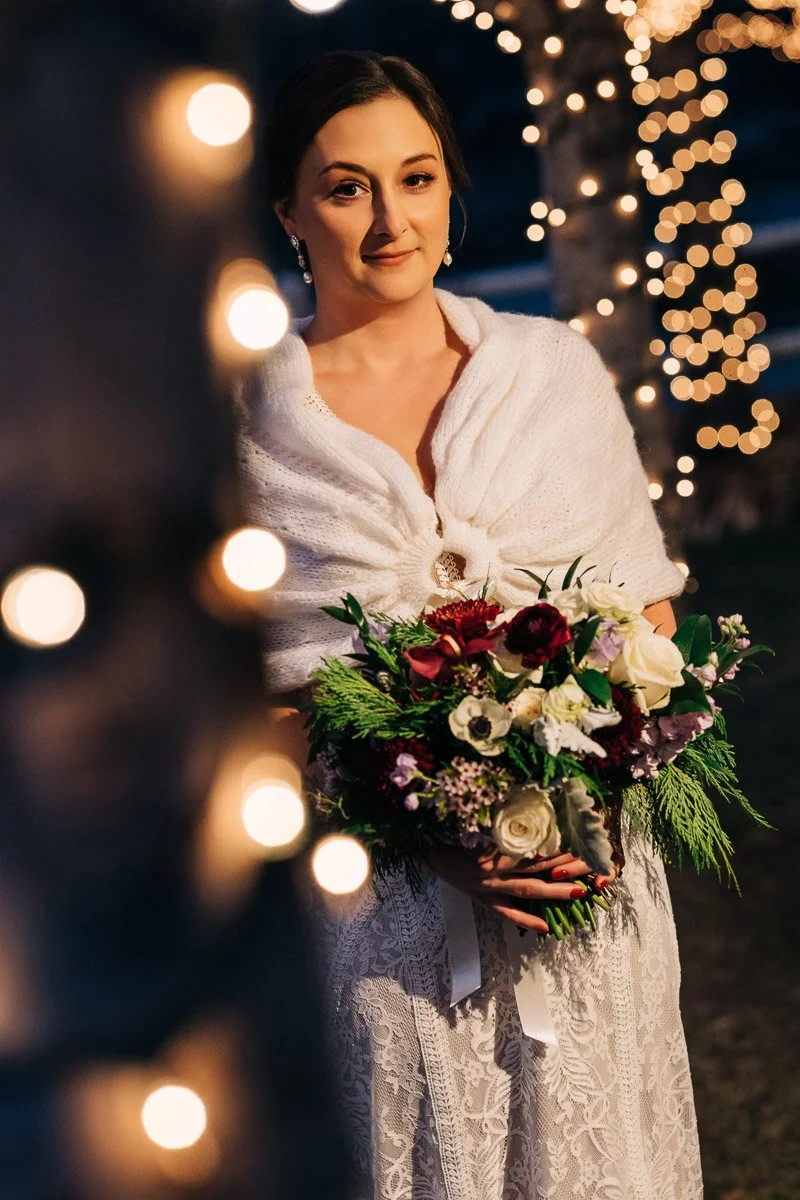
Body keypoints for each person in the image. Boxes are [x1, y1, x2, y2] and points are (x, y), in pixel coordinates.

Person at [236, 48, 703, 1199]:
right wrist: (429, 831)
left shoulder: (551, 375)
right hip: (380, 933)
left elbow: (642, 623)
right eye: (345, 188)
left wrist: (576, 793)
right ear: (288, 211)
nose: (388, 220)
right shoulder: (249, 426)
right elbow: (242, 709)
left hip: (582, 899)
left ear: (451, 187)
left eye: (416, 177)